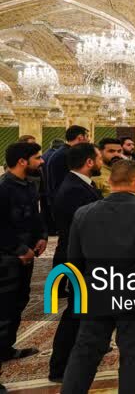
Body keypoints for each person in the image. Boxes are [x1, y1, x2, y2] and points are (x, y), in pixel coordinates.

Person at [60, 159, 135, 394]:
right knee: (134, 355)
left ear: (109, 181)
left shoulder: (83, 212)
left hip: (96, 294)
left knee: (85, 352)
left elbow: (73, 260)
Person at [48, 143, 103, 382]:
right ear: (89, 162)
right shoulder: (74, 190)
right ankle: (59, 366)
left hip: (81, 257)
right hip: (79, 260)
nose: (101, 162)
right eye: (98, 158)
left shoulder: (80, 185)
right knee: (75, 313)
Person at [0, 142, 46, 364]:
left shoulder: (29, 185)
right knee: (5, 304)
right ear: (22, 161)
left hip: (26, 254)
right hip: (8, 257)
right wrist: (19, 249)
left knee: (19, 300)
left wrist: (42, 236)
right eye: (37, 158)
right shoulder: (4, 188)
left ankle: (5, 348)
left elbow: (36, 216)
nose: (41, 161)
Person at [45, 125, 89, 208]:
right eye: (87, 136)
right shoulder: (69, 154)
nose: (88, 140)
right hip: (64, 201)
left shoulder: (63, 151)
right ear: (80, 137)